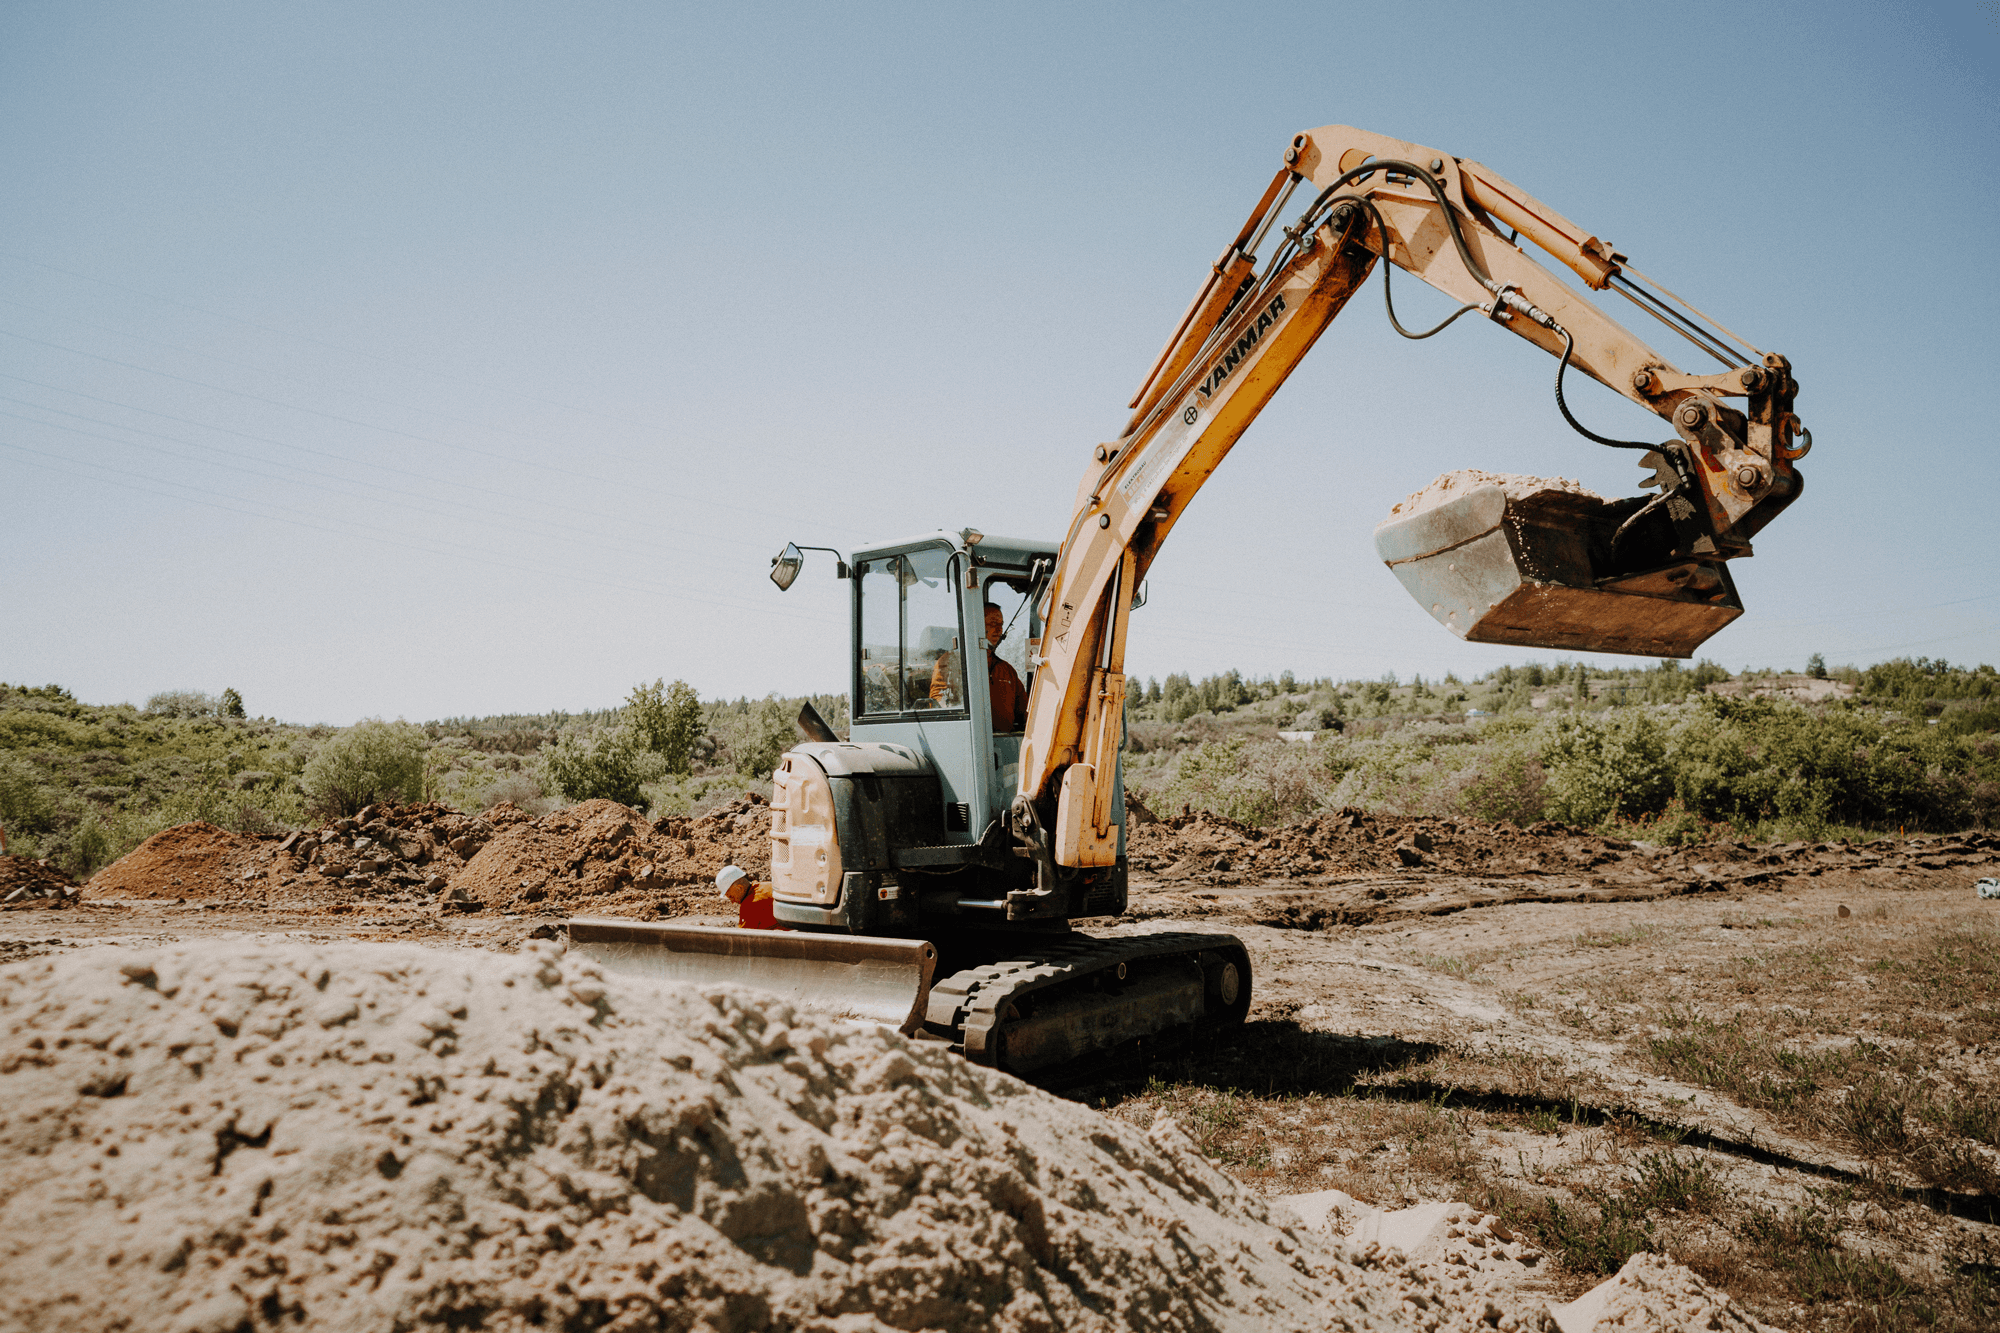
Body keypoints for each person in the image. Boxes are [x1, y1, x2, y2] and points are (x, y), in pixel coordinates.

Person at [982, 602, 1028, 731]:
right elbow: (941, 701)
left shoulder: (1007, 670)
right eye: (993, 623)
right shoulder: (956, 664)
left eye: (1001, 625)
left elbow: (1024, 711)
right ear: (976, 624)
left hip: (1003, 741)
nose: (999, 630)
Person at [717, 865, 781, 929]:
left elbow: (743, 934)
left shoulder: (750, 905)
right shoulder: (766, 885)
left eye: (731, 897)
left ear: (740, 888)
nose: (732, 902)